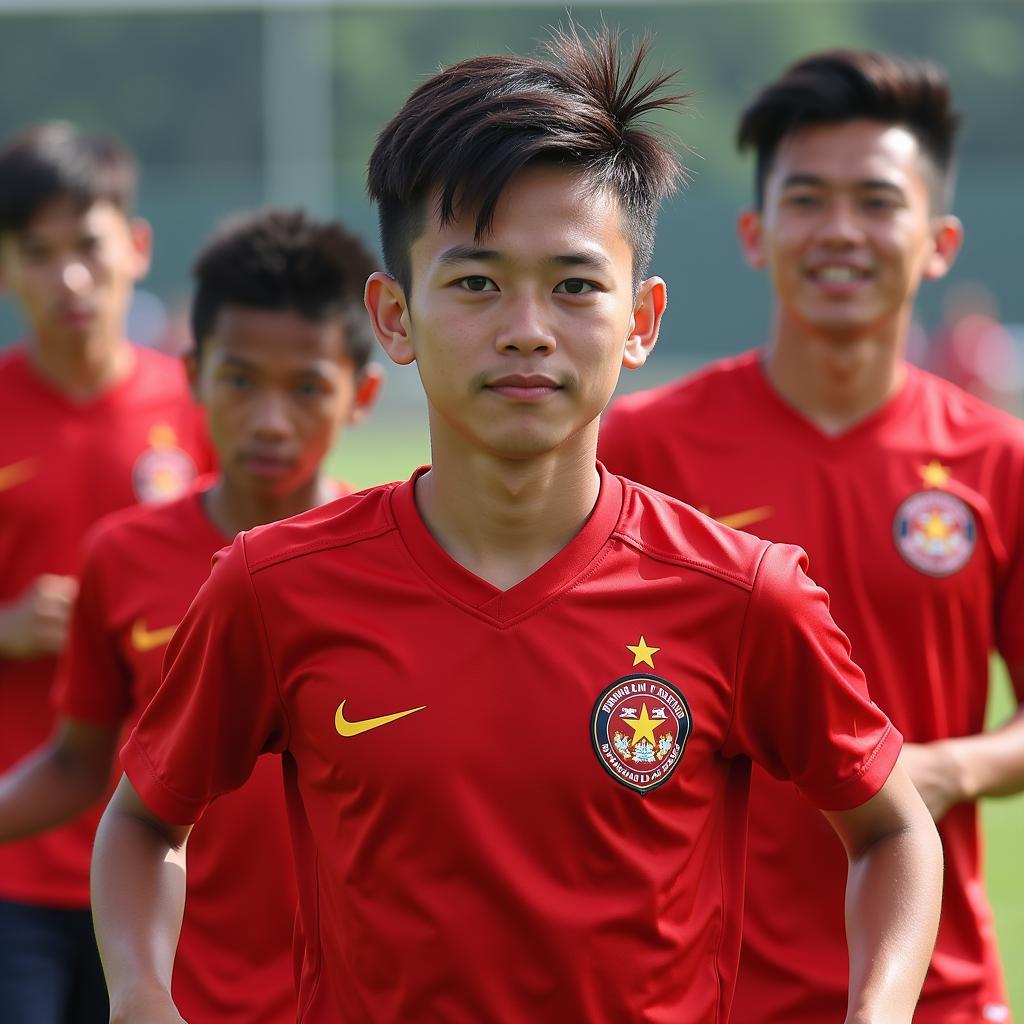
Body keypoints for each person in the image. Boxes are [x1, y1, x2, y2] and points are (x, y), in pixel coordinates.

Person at [91, 28, 943, 1024]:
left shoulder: (744, 594)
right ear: (394, 316)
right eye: (475, 282)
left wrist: (876, 1011)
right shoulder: (272, 587)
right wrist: (141, 993)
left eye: (576, 284)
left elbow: (892, 831)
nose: (527, 326)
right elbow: (144, 821)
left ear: (642, 318)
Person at [600, 49, 1024, 1024]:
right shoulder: (640, 445)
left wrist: (943, 770)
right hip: (700, 992)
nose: (840, 230)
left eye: (876, 201)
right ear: (755, 232)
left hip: (935, 993)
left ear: (938, 240)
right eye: (807, 199)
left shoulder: (998, 461)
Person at [0, 207, 381, 1021]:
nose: (270, 420)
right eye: (240, 379)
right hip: (182, 997)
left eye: (308, 387)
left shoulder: (396, 564)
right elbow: (78, 766)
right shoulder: (123, 555)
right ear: (194, 372)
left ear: (363, 394)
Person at [0, 121, 212, 1024]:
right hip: (19, 855)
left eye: (88, 245)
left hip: (173, 858)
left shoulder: (206, 408)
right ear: (7, 267)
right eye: (38, 254)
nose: (70, 279)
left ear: (136, 245)